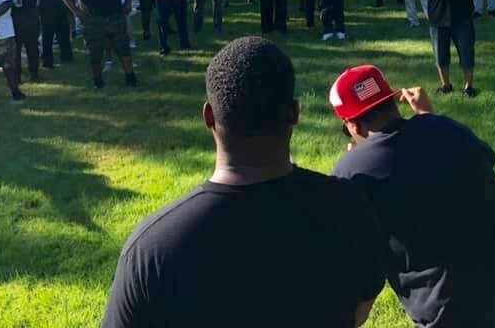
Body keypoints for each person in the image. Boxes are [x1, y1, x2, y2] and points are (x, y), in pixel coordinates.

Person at [102, 37, 386, 328]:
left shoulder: (153, 249)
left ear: (209, 116)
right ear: (294, 113)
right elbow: (359, 311)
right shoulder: (349, 206)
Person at [328, 66, 495, 328]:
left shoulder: (352, 174)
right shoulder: (449, 129)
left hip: (454, 315)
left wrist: (355, 160)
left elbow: (350, 265)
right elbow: (436, 160)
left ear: (352, 124)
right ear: (393, 102)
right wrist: (427, 117)